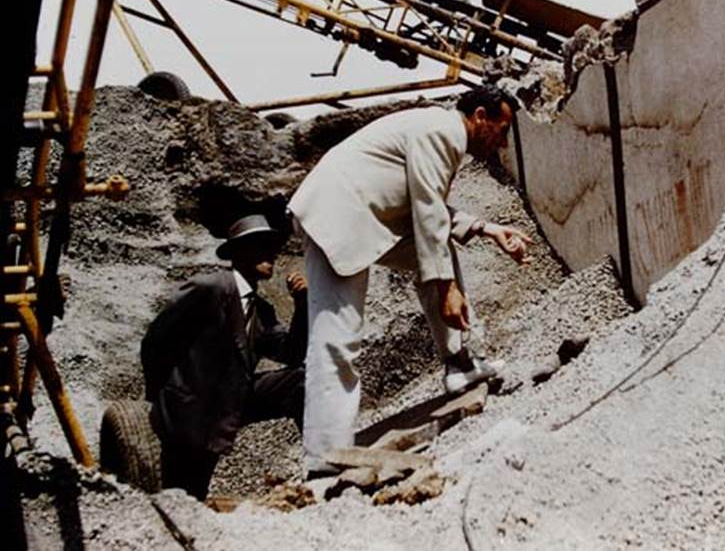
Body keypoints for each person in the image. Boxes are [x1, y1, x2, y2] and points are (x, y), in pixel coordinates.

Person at [289, 87, 533, 475]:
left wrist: (487, 229)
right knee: (337, 336)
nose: (502, 142)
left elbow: (429, 204)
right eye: (501, 130)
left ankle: (458, 364)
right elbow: (429, 210)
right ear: (481, 116)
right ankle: (324, 454)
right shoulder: (443, 132)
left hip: (365, 217)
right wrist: (447, 288)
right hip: (336, 218)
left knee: (437, 257)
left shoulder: (439, 130)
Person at [140, 214, 308, 500]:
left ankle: (320, 466)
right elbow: (156, 338)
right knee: (183, 496)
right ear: (239, 252)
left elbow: (291, 355)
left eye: (272, 247)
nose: (271, 254)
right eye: (260, 245)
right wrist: (165, 394)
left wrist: (303, 305)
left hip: (228, 406)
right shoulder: (211, 288)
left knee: (303, 380)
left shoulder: (262, 312)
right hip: (189, 413)